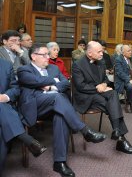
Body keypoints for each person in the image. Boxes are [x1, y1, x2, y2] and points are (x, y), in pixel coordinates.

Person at [17, 43, 106, 177]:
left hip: (56, 105)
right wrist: (53, 83)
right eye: (44, 54)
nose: (48, 57)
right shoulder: (24, 70)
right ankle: (84, 130)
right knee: (58, 98)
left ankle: (59, 162)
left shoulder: (53, 68)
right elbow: (34, 80)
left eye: (48, 54)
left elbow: (66, 83)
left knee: (61, 115)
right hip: (35, 106)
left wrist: (50, 86)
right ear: (34, 56)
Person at [72, 41, 132, 155]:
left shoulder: (100, 62)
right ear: (89, 53)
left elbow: (106, 79)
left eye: (102, 51)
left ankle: (117, 131)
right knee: (112, 104)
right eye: (99, 51)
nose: (102, 53)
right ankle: (121, 139)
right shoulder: (78, 65)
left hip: (99, 93)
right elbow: (80, 86)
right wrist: (98, 88)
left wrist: (103, 84)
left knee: (113, 94)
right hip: (86, 97)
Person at [0, 59, 47, 173]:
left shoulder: (6, 64)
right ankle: (27, 140)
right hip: (6, 113)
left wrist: (5, 97)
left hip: (4, 110)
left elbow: (15, 89)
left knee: (2, 129)